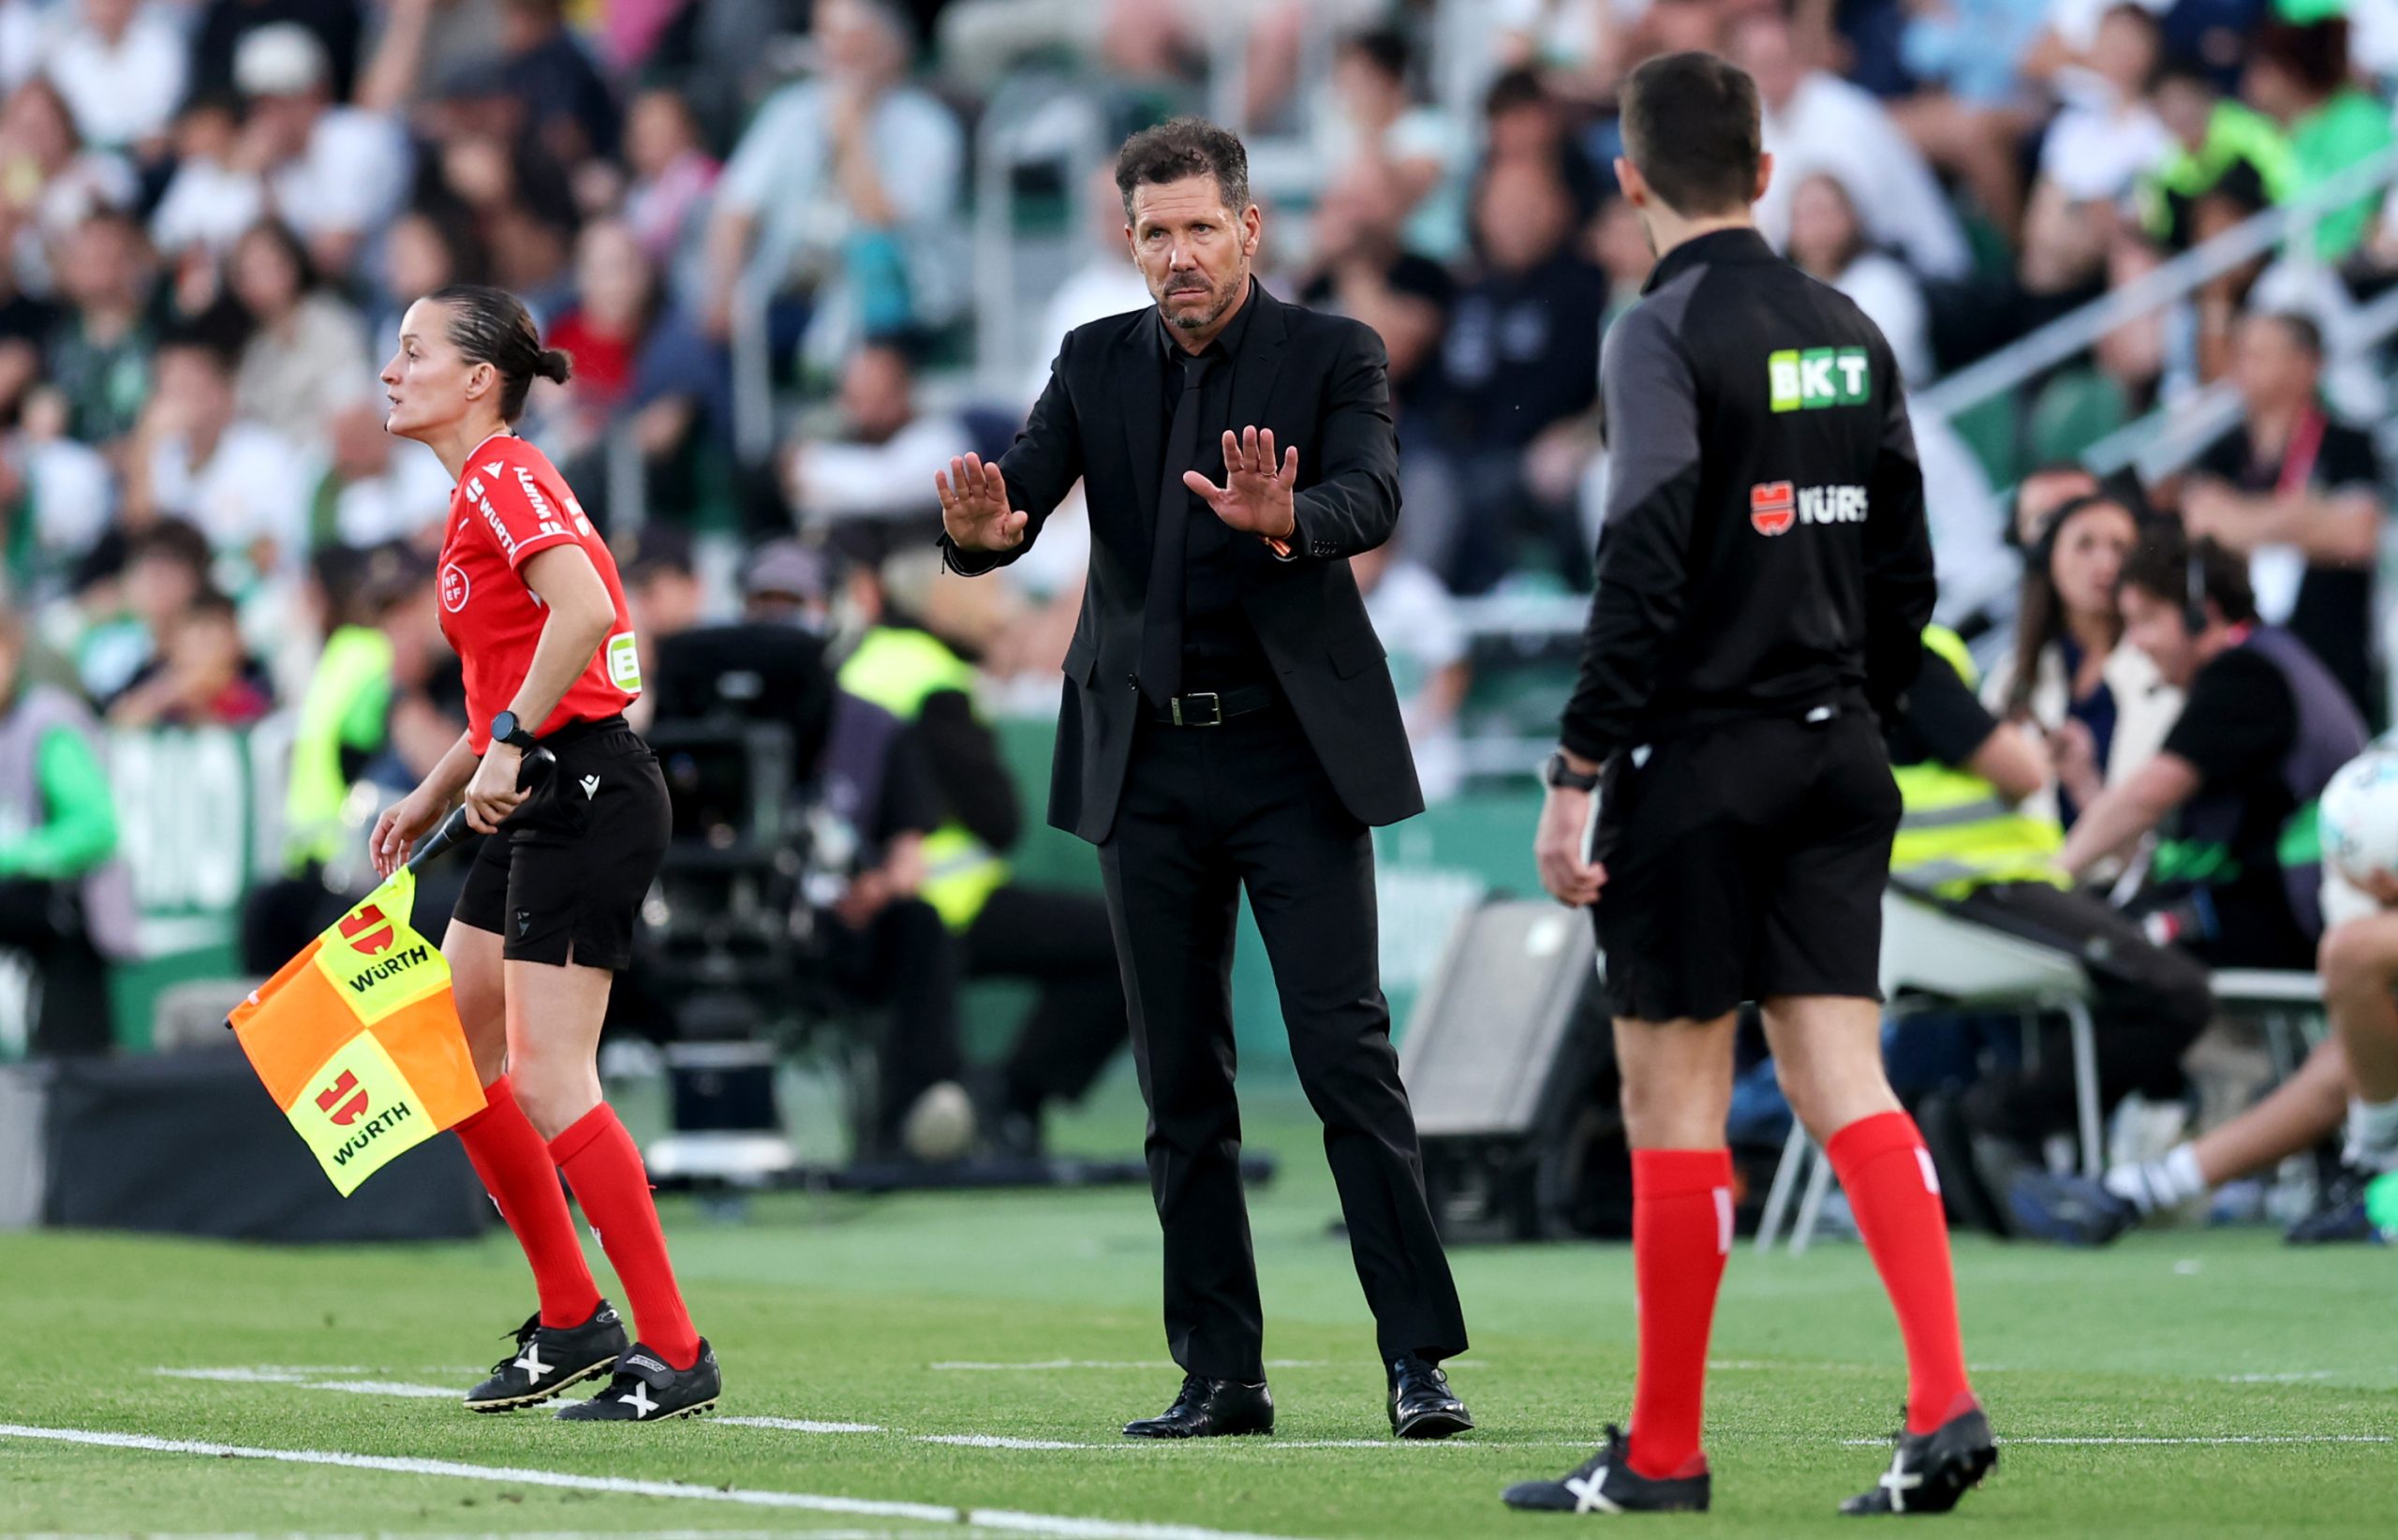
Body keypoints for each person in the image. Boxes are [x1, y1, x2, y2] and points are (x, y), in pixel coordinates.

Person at [934, 116, 1472, 1443]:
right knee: (1181, 1085)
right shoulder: (1092, 361)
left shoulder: (1333, 352)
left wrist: (1292, 519)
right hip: (1150, 758)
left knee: (1348, 1062)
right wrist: (981, 540)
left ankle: (1417, 1362)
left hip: (1294, 759)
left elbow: (1374, 496)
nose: (1178, 255)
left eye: (1199, 229)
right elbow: (1018, 501)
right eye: (1155, 233)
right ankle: (1221, 1377)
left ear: (1251, 230)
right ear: (1130, 241)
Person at [1509, 52, 1989, 1517]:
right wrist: (1869, 701)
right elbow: (1906, 559)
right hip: (1843, 744)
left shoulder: (1656, 331)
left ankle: (1662, 1457)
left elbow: (1643, 548)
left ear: (1629, 180)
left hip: (1701, 758)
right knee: (1846, 1078)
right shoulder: (1846, 324)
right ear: (1769, 176)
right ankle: (1943, 1399)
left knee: (1676, 1105)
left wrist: (1579, 762)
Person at [364, 283, 718, 1421]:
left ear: (478, 379)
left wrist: (510, 745)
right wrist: (432, 795)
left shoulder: (506, 472)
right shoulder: (482, 485)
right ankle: (572, 1318)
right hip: (532, 792)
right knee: (451, 1053)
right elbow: (504, 690)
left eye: (412, 350)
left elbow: (588, 611)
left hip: (583, 793)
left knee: (551, 1078)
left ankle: (673, 1352)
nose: (390, 369)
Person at [1887, 628, 2213, 1231]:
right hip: (1969, 892)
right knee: (2175, 991)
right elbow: (2022, 773)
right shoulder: (1901, 650)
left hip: (1925, 907)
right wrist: (2030, 749)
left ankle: (2002, 1139)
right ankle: (2002, 1122)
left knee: (2157, 983)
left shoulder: (1799, 656)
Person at [831, 544, 1131, 1154]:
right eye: (991, 594)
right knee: (1126, 942)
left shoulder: (864, 662)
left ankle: (978, 1104)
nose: (1004, 613)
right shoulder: (934, 680)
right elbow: (998, 820)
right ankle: (1010, 1102)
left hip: (851, 907)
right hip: (938, 903)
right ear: (945, 602)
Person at [2059, 526, 2366, 969]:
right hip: (2281, 905)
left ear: (2201, 615)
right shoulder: (2264, 660)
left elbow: (2143, 800)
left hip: (2284, 915)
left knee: (2094, 955)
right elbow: (2163, 855)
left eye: (2146, 620)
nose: (2135, 643)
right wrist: (2085, 782)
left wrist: (2050, 877)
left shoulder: (2243, 677)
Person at [2178, 312, 2384, 724]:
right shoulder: (2220, 453)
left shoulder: (2349, 443)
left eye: (2258, 354)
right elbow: (2202, 532)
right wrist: (2304, 515)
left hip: (2335, 663)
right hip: (2246, 668)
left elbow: (2357, 537)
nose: (2242, 364)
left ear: (2306, 364)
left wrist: (2238, 518)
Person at [1983, 494, 2180, 830]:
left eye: (2121, 548)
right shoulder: (2011, 676)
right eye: (2084, 545)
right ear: (2050, 561)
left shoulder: (2168, 665)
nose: (2105, 564)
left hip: (2135, 875)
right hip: (2034, 873)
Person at [0, 604, 135, 1058]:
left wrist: (14, 856)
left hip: (65, 910)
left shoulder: (47, 723)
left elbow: (97, 828)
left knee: (76, 1064)